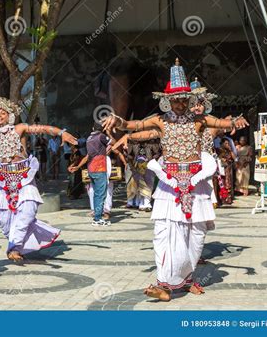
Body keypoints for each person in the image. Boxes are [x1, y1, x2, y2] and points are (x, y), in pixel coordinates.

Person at [102, 58, 248, 301]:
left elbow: (222, 123)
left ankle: (186, 279)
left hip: (196, 184)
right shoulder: (160, 120)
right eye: (175, 99)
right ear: (167, 100)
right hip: (169, 185)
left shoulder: (200, 121)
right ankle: (164, 283)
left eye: (184, 99)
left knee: (195, 236)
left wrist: (235, 122)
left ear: (190, 100)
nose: (180, 104)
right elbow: (134, 124)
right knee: (165, 233)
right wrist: (119, 121)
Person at [0, 97, 77, 262]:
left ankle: (14, 248)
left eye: (3, 113)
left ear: (10, 115)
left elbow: (42, 128)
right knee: (4, 221)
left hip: (24, 178)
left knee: (27, 212)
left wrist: (61, 133)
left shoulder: (19, 129)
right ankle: (18, 243)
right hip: (3, 180)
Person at [70, 122, 110, 226]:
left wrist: (78, 167)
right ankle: (98, 218)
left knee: (97, 194)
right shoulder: (101, 136)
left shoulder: (89, 139)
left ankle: (97, 216)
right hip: (100, 168)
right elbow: (112, 142)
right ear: (102, 129)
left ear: (93, 128)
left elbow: (88, 156)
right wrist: (108, 132)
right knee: (101, 194)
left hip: (91, 169)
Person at [217, 138, 236, 204]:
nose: (227, 145)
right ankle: (222, 199)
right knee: (223, 183)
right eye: (226, 143)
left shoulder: (229, 151)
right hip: (222, 169)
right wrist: (222, 159)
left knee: (229, 183)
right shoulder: (219, 150)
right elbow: (218, 158)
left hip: (229, 169)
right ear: (222, 144)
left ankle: (228, 199)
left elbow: (234, 158)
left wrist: (231, 150)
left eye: (228, 143)